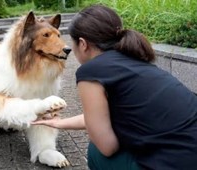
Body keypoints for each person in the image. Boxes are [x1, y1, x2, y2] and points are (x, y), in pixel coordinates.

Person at [32, 4, 197, 170]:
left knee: (96, 151)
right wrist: (60, 123)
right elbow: (101, 116)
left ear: (82, 44)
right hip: (189, 152)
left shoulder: (91, 71)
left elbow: (107, 147)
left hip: (176, 163)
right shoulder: (134, 60)